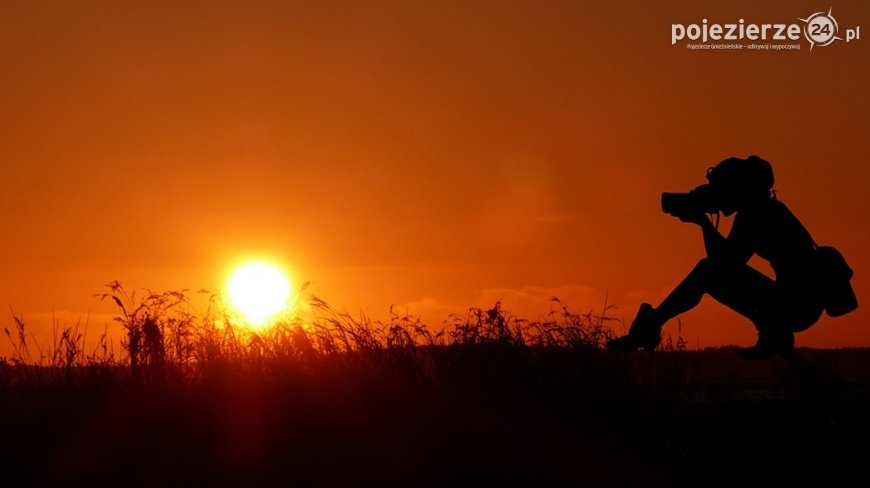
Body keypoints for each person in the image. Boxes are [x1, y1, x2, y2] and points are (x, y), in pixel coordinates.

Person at [607, 155, 838, 360]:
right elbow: (727, 262)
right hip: (797, 302)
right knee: (709, 270)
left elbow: (725, 263)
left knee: (707, 271)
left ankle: (649, 327)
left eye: (721, 189)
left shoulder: (757, 214)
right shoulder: (767, 209)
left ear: (738, 190)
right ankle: (775, 335)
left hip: (796, 306)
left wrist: (703, 222)